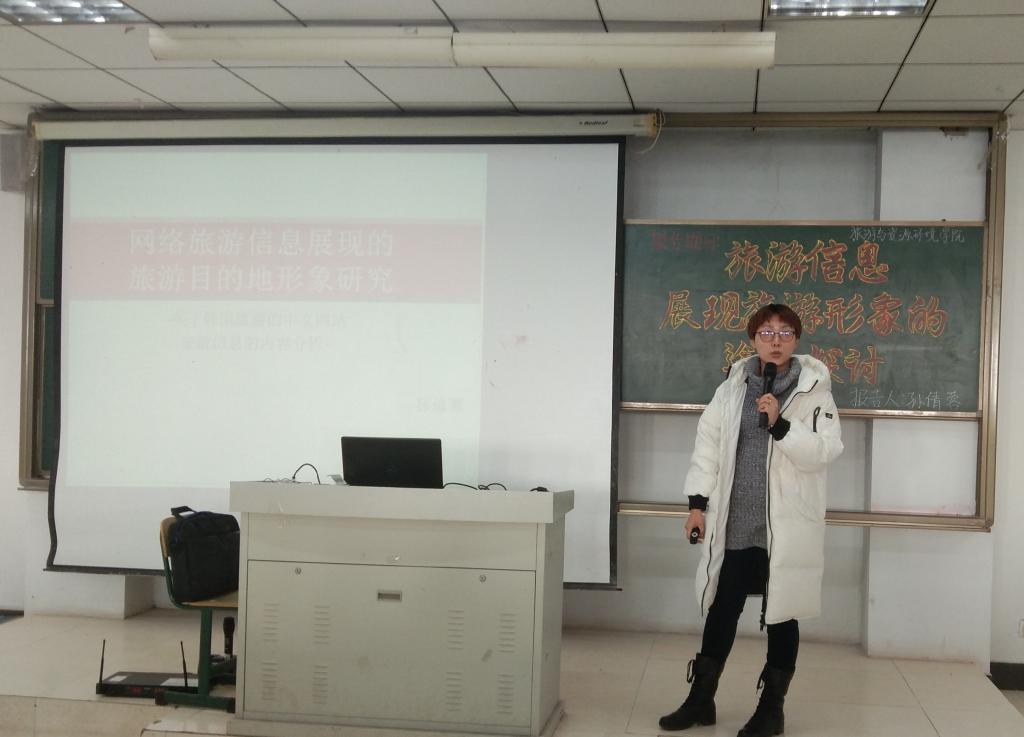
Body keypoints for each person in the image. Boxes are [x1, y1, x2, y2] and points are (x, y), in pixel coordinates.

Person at [659, 303, 843, 737]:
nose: (775, 341)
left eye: (784, 333)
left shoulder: (816, 392)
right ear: (753, 339)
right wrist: (697, 505)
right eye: (766, 333)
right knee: (722, 609)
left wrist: (781, 426)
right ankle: (701, 700)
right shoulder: (732, 389)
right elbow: (707, 447)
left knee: (782, 614)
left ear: (796, 339)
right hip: (737, 522)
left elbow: (825, 452)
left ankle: (771, 710)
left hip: (786, 525)